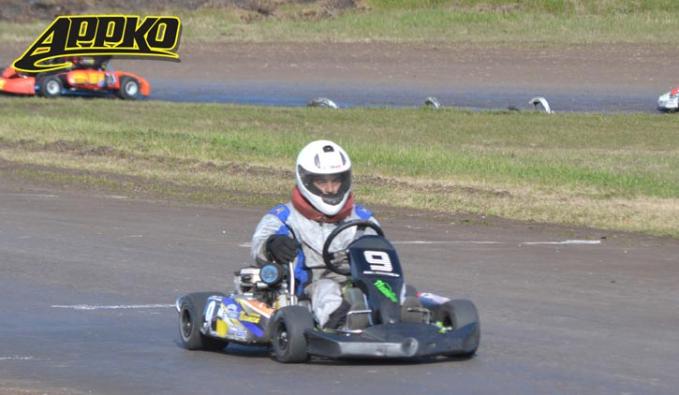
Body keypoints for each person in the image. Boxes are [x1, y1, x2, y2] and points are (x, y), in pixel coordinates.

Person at [250, 140, 378, 329]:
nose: (330, 188)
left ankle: (405, 316)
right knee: (326, 289)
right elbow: (259, 243)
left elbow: (381, 252)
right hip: (309, 286)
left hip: (356, 281)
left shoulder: (362, 218)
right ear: (306, 182)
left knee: (388, 289)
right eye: (322, 182)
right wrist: (272, 245)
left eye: (335, 181)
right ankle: (342, 323)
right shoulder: (284, 217)